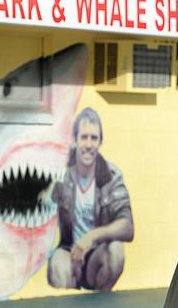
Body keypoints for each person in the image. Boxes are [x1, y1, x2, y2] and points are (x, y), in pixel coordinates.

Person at [48, 107, 134, 291]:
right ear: (75, 140)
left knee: (116, 251)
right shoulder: (60, 173)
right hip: (68, 251)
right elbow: (41, 204)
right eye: (84, 137)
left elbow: (127, 226)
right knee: (57, 265)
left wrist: (91, 237)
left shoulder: (111, 175)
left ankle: (99, 301)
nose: (88, 144)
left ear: (100, 142)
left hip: (96, 255)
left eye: (94, 138)